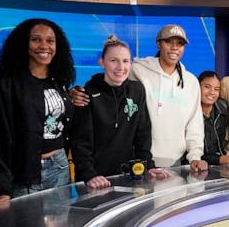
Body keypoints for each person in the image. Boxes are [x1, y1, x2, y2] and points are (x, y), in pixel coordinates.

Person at [71, 25, 207, 173]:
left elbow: (195, 124)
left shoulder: (191, 82)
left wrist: (195, 156)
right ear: (158, 44)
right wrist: (78, 91)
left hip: (176, 162)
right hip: (140, 163)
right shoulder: (138, 69)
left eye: (180, 43)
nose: (174, 47)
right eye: (169, 42)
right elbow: (111, 80)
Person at [0, 18, 75, 206]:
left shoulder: (59, 82)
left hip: (60, 167)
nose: (44, 46)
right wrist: (1, 189)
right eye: (36, 39)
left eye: (50, 40)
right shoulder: (7, 84)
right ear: (24, 43)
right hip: (24, 173)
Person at [69, 36, 169, 190]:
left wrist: (148, 165)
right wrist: (89, 175)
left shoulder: (137, 91)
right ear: (102, 62)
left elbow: (142, 135)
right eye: (113, 60)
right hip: (96, 181)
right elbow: (80, 143)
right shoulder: (87, 94)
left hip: (129, 178)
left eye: (125, 61)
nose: (120, 67)